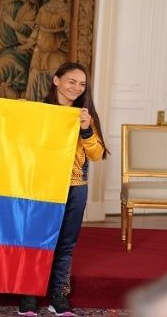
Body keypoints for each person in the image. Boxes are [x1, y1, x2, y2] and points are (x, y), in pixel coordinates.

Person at [16, 62, 108, 316]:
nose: (76, 88)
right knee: (35, 240)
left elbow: (97, 154)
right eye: (71, 81)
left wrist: (86, 128)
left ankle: (59, 296)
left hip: (74, 186)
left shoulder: (84, 115)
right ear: (56, 80)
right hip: (41, 187)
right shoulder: (38, 111)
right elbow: (10, 127)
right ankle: (29, 296)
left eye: (82, 85)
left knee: (65, 244)